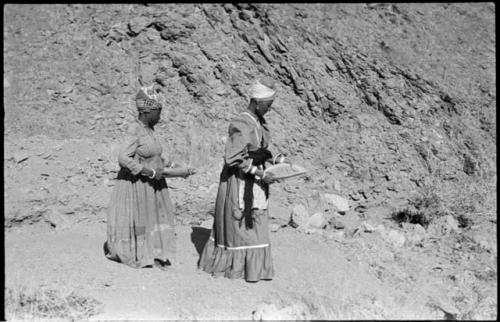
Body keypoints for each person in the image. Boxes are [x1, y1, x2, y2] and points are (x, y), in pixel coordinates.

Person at [199, 78, 287, 282]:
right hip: (239, 180)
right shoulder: (241, 123)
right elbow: (233, 158)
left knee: (256, 222)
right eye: (268, 105)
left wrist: (273, 162)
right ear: (257, 102)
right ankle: (236, 267)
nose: (269, 109)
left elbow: (257, 151)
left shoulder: (259, 122)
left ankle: (254, 268)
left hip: (255, 179)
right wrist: (258, 173)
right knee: (241, 224)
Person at [105, 83, 196, 270]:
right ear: (147, 112)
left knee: (154, 217)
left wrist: (174, 166)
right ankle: (140, 254)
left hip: (154, 183)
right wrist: (147, 171)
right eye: (158, 111)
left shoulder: (150, 131)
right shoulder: (134, 129)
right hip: (137, 184)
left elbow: (154, 156)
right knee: (141, 218)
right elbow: (123, 157)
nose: (160, 116)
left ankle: (155, 253)